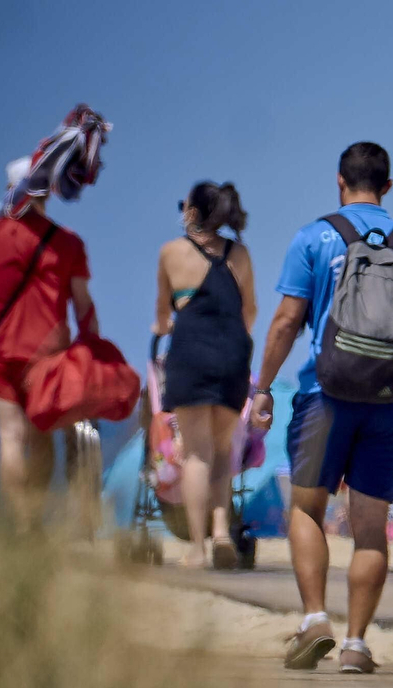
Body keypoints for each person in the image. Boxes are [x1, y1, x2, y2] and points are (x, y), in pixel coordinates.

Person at [251, 142, 393, 675]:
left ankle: (315, 618)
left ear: (340, 181)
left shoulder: (313, 238)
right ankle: (357, 644)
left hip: (324, 398)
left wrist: (262, 385)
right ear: (388, 185)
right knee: (371, 526)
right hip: (389, 402)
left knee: (307, 509)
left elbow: (287, 321)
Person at [0, 158, 99, 530]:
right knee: (41, 439)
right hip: (49, 354)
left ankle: (22, 522)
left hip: (2, 352)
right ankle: (36, 515)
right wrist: (91, 346)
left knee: (10, 436)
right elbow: (84, 306)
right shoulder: (68, 243)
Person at [154, 181, 256, 568]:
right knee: (223, 449)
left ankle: (197, 548)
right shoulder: (240, 254)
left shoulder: (171, 253)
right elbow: (250, 313)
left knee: (196, 453)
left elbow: (163, 318)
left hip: (191, 355)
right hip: (232, 355)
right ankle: (221, 532)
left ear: (193, 213)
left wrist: (163, 327)